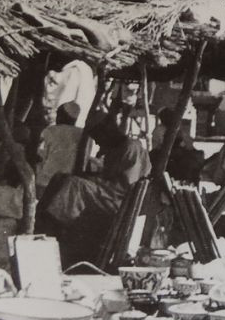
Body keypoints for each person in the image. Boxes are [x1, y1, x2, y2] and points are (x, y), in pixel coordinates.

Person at [42, 119, 151, 257]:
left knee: (74, 185)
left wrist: (96, 181)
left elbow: (124, 186)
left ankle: (57, 226)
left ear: (107, 134)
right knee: (61, 177)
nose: (98, 143)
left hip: (118, 199)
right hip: (109, 193)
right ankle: (45, 216)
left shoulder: (131, 147)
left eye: (98, 139)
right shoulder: (116, 148)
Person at [34, 103, 84, 198]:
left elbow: (40, 157)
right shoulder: (83, 135)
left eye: (58, 114)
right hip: (68, 186)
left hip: (45, 182)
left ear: (62, 116)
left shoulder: (50, 131)